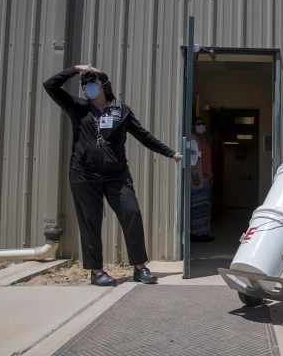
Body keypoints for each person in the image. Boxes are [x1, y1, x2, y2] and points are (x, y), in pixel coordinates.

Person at [43, 64, 182, 287]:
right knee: (91, 221)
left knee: (132, 213)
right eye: (84, 83)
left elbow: (143, 135)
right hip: (84, 174)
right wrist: (77, 69)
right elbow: (50, 85)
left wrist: (169, 152)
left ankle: (140, 268)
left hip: (117, 175)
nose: (87, 86)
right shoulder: (77, 106)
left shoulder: (121, 110)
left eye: (92, 82)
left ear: (104, 85)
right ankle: (96, 272)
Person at [190, 117, 215, 242]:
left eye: (203, 123)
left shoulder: (203, 141)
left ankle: (204, 231)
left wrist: (210, 175)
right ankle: (196, 233)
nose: (201, 125)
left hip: (205, 176)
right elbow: (193, 159)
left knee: (205, 205)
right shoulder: (193, 139)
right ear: (194, 126)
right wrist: (194, 174)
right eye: (199, 123)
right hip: (197, 176)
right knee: (197, 206)